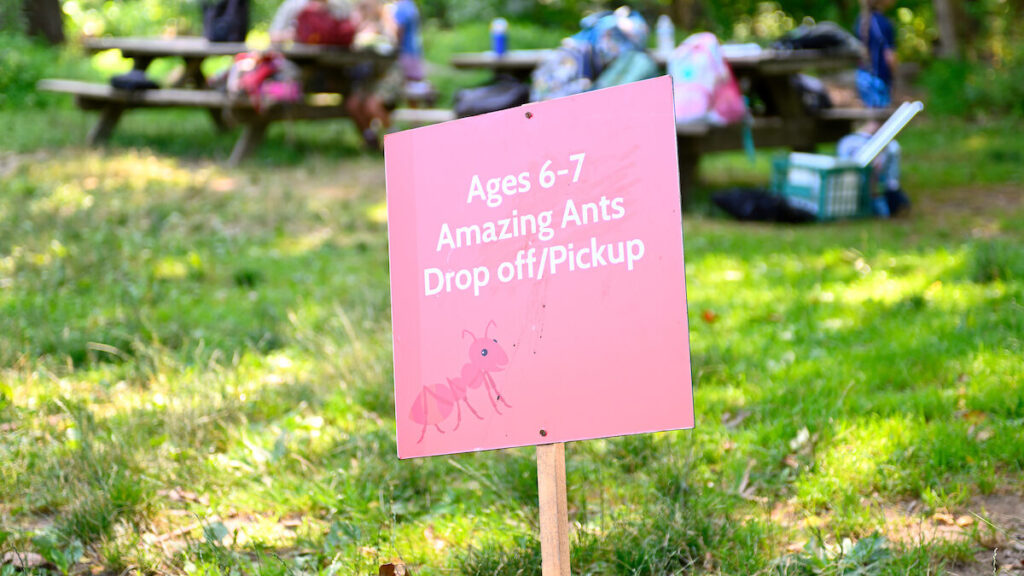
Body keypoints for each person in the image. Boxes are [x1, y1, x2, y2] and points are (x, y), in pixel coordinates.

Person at [838, 120, 910, 217]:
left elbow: (891, 180)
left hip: (882, 189)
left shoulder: (891, 146)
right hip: (859, 186)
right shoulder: (849, 142)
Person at [854, 0, 898, 108]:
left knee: (875, 118)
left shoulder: (861, 21)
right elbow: (890, 56)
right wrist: (894, 77)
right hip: (878, 79)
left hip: (863, 76)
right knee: (877, 121)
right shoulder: (883, 23)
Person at [269, 0, 352, 43]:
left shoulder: (340, 7)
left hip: (335, 59)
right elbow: (272, 36)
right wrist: (292, 35)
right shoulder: (294, 5)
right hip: (298, 60)